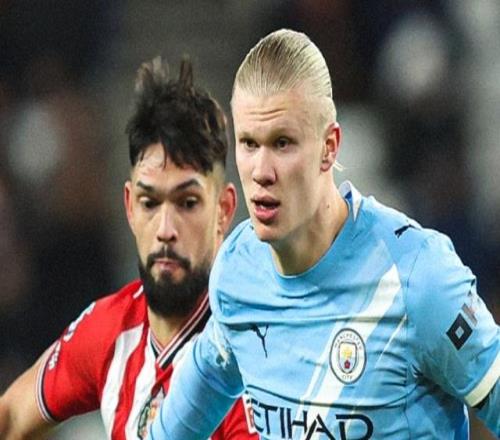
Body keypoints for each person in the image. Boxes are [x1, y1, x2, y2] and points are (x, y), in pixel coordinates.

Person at [149, 29, 499, 440]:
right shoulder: (237, 273)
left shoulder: (416, 277)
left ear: (329, 147)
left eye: (282, 143)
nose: (261, 171)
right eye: (248, 143)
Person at [0, 57, 258, 440]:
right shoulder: (111, 330)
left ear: (224, 209)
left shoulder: (253, 355)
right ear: (129, 207)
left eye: (187, 203)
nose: (165, 230)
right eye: (149, 203)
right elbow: (10, 416)